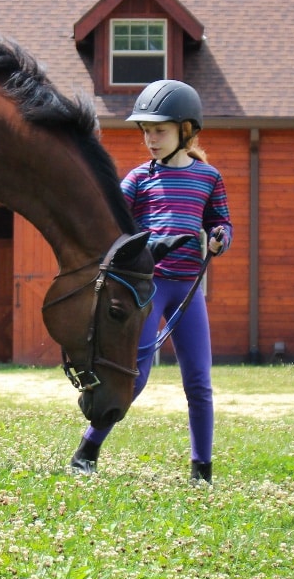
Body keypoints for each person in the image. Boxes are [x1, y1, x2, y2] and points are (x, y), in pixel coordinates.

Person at [70, 79, 232, 483]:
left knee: (199, 381)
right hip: (148, 288)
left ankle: (202, 469)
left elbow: (221, 221)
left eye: (159, 130)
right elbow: (116, 228)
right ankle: (88, 448)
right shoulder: (139, 180)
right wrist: (153, 244)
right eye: (145, 131)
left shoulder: (208, 178)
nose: (150, 139)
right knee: (135, 375)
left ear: (186, 130)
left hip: (187, 290)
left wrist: (220, 238)